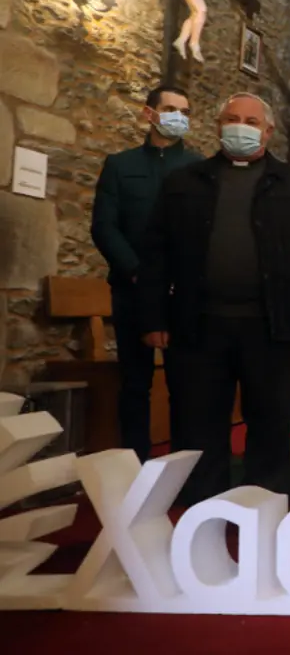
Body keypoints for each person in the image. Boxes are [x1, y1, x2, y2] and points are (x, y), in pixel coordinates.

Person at [137, 92, 290, 505]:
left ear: (267, 130)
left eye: (250, 120)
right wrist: (153, 316)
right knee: (198, 425)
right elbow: (156, 253)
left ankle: (263, 511)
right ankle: (201, 512)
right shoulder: (184, 184)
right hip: (198, 324)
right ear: (217, 126)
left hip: (270, 325)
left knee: (270, 423)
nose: (240, 126)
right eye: (232, 118)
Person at [90, 85, 203, 463]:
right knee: (135, 383)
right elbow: (105, 227)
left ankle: (184, 465)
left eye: (184, 112)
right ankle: (134, 463)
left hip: (182, 292)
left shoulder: (199, 169)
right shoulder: (121, 166)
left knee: (184, 384)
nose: (178, 117)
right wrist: (138, 272)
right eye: (170, 109)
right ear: (149, 113)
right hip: (132, 289)